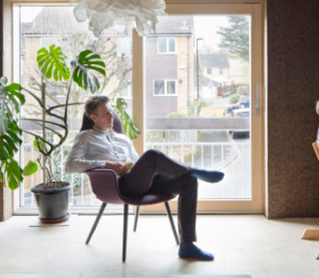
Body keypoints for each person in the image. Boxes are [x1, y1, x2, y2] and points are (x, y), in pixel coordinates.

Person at [66, 95, 224, 261]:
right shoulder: (85, 137)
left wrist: (141, 168)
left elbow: (137, 161)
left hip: (141, 180)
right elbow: (70, 164)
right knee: (152, 155)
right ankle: (193, 170)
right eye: (106, 114)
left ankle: (187, 245)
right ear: (93, 117)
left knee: (188, 182)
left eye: (111, 112)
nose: (111, 116)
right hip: (120, 185)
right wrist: (107, 165)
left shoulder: (122, 138)